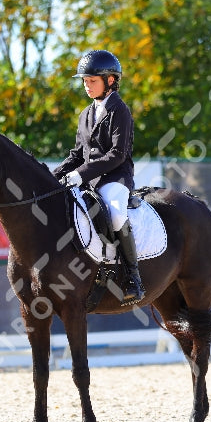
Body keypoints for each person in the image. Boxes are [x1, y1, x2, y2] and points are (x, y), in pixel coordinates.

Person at [53, 49, 145, 305]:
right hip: (89, 179)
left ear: (111, 80)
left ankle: (133, 278)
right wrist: (53, 175)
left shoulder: (120, 111)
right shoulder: (85, 114)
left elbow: (117, 154)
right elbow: (77, 154)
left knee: (116, 214)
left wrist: (79, 175)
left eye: (92, 80)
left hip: (115, 177)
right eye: (84, 81)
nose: (87, 86)